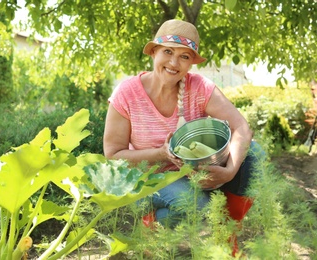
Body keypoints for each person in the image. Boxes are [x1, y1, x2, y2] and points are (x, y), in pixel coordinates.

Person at [103, 19, 264, 256]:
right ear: (154, 52)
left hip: (192, 173)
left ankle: (227, 230)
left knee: (254, 153)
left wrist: (230, 170)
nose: (174, 62)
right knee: (197, 205)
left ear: (191, 63)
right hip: (149, 180)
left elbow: (241, 127)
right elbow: (114, 155)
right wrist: (160, 153)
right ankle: (152, 227)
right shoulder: (127, 93)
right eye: (167, 52)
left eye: (184, 56)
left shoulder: (199, 87)